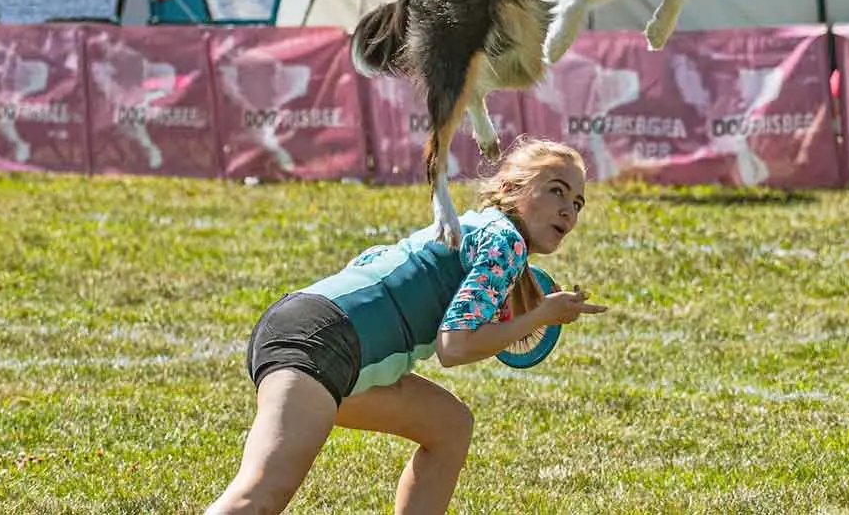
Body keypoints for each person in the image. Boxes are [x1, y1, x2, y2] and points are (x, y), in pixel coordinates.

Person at [205, 136, 607, 515]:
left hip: (308, 325)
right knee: (260, 495)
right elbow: (455, 347)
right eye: (556, 190)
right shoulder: (506, 242)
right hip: (320, 344)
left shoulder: (473, 226)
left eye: (578, 202)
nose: (568, 209)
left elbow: (371, 261)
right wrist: (540, 316)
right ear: (511, 188)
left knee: (449, 425)